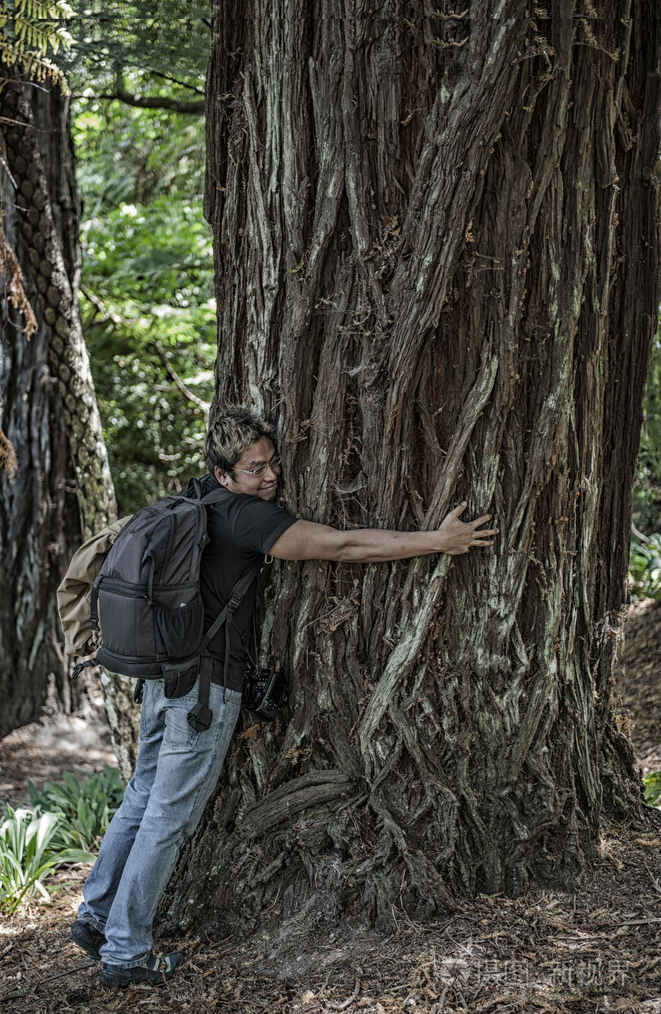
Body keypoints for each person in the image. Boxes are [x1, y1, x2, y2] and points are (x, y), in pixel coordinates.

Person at [70, 406, 498, 988]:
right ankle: (125, 949)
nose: (270, 477)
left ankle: (95, 918)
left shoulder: (199, 500)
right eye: (254, 469)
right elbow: (344, 546)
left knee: (143, 797)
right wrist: (438, 541)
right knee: (167, 816)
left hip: (165, 678)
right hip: (203, 690)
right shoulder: (247, 518)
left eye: (272, 463)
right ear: (225, 474)